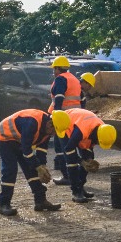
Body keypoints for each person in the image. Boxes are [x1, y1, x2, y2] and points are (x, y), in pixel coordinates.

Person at [0, 109, 68, 216]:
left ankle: (40, 201)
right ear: (50, 124)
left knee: (32, 169)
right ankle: (4, 204)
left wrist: (42, 166)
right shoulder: (32, 123)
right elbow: (26, 151)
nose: (53, 135)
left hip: (20, 140)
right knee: (10, 170)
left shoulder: (48, 129)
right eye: (54, 131)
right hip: (5, 137)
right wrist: (38, 167)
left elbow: (42, 150)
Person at [59, 108, 117, 203]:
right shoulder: (80, 132)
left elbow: (90, 145)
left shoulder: (103, 129)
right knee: (72, 162)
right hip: (65, 125)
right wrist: (81, 162)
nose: (97, 143)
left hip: (81, 124)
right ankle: (76, 192)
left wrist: (89, 160)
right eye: (98, 142)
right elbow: (68, 149)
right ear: (97, 136)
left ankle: (81, 187)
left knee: (89, 160)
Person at [48, 56, 82, 186]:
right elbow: (81, 98)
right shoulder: (74, 79)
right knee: (70, 146)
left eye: (54, 68)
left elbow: (59, 98)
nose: (53, 71)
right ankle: (75, 174)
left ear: (57, 69)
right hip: (74, 117)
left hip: (62, 118)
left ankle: (67, 175)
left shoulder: (61, 79)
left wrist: (56, 115)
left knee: (60, 147)